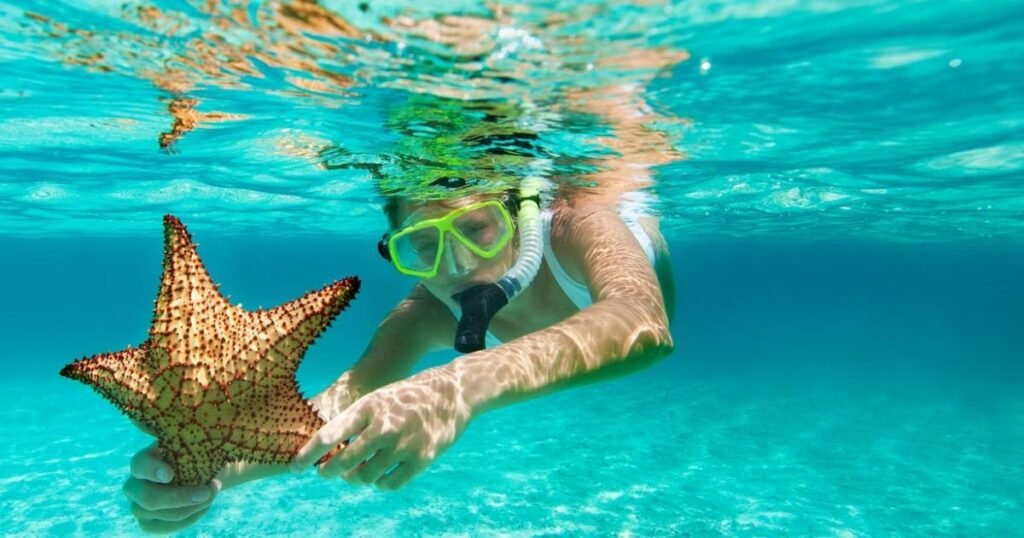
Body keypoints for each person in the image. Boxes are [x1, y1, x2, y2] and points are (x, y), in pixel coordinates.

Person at [122, 175, 676, 533]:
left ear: (521, 217)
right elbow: (340, 401)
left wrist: (452, 388)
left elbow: (643, 321)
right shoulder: (429, 312)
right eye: (424, 244)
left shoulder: (579, 226)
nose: (456, 264)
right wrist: (204, 473)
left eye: (478, 229)